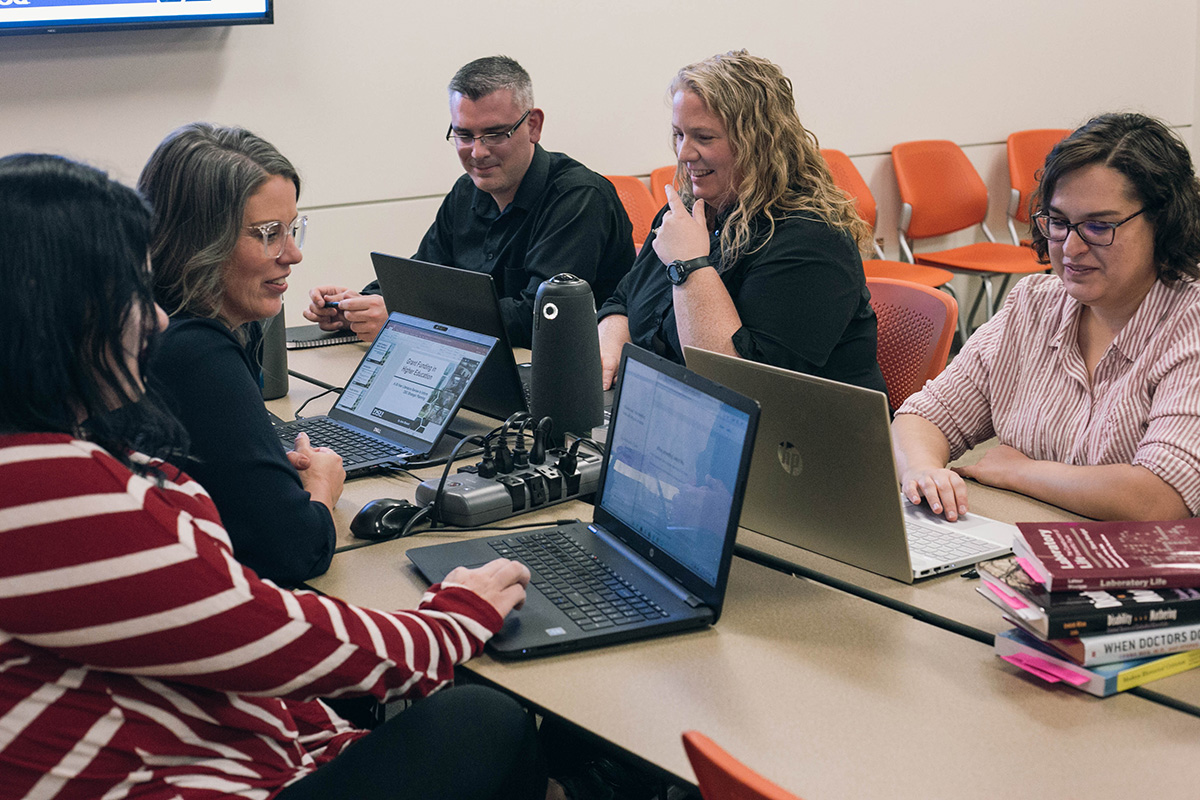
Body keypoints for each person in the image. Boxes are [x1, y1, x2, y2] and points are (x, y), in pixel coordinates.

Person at [0, 153, 546, 800]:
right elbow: (272, 638)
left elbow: (220, 635)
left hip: (187, 746)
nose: (157, 322)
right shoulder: (41, 486)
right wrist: (458, 615)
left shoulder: (46, 458)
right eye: (130, 295)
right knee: (481, 719)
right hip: (174, 777)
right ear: (62, 314)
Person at [893, 112, 1200, 522]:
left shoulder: (1188, 325)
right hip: (1026, 543)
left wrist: (1021, 472)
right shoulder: (1035, 306)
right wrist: (923, 470)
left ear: (1164, 224)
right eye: (1058, 222)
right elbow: (924, 416)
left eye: (1098, 226)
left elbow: (1160, 498)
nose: (1070, 248)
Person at [595, 50, 886, 396]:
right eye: (678, 134)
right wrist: (609, 351)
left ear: (758, 142)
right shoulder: (689, 212)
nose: (684, 153)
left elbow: (737, 386)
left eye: (703, 137)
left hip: (792, 440)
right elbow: (623, 301)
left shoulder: (812, 240)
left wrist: (688, 266)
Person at [305, 55, 635, 348]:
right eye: (463, 135)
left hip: (565, 380)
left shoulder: (578, 197)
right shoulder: (467, 191)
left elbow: (539, 317)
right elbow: (422, 275)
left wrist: (404, 316)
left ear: (533, 126)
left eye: (494, 134)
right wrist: (358, 306)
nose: (477, 152)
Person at [140, 123, 344, 585]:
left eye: (293, 229)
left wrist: (254, 468)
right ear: (200, 241)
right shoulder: (195, 350)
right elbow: (294, 551)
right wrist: (322, 487)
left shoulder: (154, 314)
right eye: (268, 233)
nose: (292, 254)